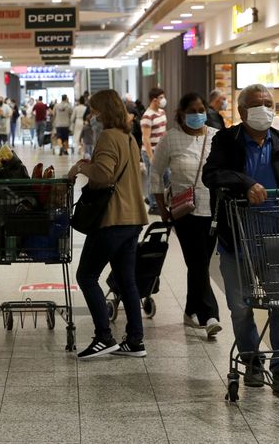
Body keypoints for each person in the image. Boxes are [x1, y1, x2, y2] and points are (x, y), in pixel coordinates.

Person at [202, 83, 279, 398]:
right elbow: (212, 175)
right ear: (243, 111)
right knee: (240, 307)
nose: (265, 109)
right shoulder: (226, 141)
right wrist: (245, 183)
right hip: (238, 239)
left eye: (269, 103)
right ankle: (252, 362)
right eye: (257, 104)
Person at [67, 90, 148, 359]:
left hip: (112, 220)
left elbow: (103, 176)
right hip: (133, 218)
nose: (93, 116)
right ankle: (135, 341)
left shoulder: (107, 136)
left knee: (86, 276)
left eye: (95, 111)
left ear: (104, 112)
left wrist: (81, 167)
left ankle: (104, 337)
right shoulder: (128, 137)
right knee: (127, 281)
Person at [151, 92, 222, 339]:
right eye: (191, 111)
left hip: (213, 211)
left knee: (198, 262)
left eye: (200, 109)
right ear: (181, 114)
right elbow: (155, 172)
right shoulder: (171, 139)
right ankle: (210, 314)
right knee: (198, 261)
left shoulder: (215, 137)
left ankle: (191, 309)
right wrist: (160, 206)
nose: (197, 115)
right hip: (185, 212)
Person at [141, 88, 169, 214]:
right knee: (154, 178)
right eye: (161, 97)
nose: (164, 100)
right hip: (151, 151)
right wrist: (150, 156)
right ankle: (153, 205)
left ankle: (150, 197)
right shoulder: (147, 116)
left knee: (167, 176)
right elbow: (145, 138)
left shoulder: (162, 112)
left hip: (162, 151)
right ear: (154, 100)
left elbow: (163, 131)